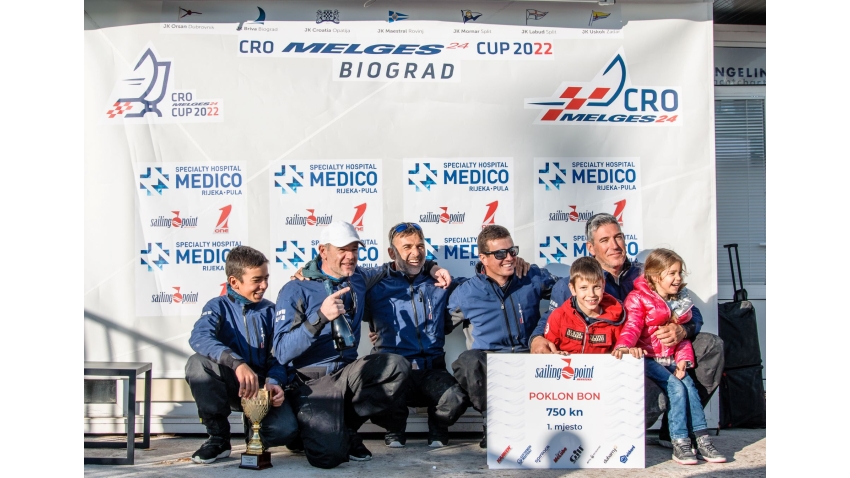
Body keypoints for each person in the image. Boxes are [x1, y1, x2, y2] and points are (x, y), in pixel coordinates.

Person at [529, 213, 725, 447]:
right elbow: (549, 320)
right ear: (591, 247)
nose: (614, 245)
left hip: (657, 354)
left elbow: (693, 313)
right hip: (615, 369)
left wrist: (682, 329)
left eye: (618, 237)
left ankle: (673, 429)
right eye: (604, 240)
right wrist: (537, 339)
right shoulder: (574, 280)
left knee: (712, 345)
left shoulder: (647, 273)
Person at [272, 221, 411, 469]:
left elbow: (388, 268)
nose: (350, 256)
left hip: (346, 373)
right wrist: (319, 318)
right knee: (329, 457)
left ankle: (344, 427)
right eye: (342, 250)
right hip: (312, 382)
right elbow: (281, 351)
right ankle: (309, 432)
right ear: (323, 251)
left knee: (396, 366)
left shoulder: (358, 277)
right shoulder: (295, 288)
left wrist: (432, 268)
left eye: (355, 250)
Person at [613, 248, 727, 465]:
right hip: (649, 358)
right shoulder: (638, 298)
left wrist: (684, 358)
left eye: (679, 273)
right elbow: (632, 327)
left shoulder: (680, 301)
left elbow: (681, 336)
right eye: (672, 273)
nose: (678, 278)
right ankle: (679, 440)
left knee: (690, 388)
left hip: (671, 359)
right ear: (656, 276)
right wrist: (624, 346)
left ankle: (701, 438)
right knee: (675, 387)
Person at [185, 245, 297, 464]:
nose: (264, 285)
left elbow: (281, 355)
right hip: (232, 385)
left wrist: (274, 381)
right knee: (197, 364)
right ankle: (218, 439)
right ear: (235, 282)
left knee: (285, 431)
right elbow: (199, 337)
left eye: (266, 278)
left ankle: (255, 435)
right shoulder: (217, 307)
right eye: (257, 280)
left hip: (263, 391)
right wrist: (237, 363)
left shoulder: (272, 310)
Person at [448, 225, 558, 448]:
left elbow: (568, 295)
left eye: (512, 251)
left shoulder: (531, 276)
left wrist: (542, 330)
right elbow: (437, 326)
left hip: (528, 358)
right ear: (483, 258)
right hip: (490, 365)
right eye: (500, 254)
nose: (509, 258)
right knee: (467, 362)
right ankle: (494, 424)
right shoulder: (467, 291)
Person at [364, 222, 471, 449]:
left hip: (431, 369)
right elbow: (341, 279)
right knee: (370, 394)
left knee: (455, 398)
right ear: (392, 253)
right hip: (393, 372)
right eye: (407, 247)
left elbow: (481, 285)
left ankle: (438, 428)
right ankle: (394, 429)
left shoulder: (440, 282)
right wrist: (306, 272)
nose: (416, 253)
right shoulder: (375, 286)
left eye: (420, 246)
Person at [543, 256, 630, 355]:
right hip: (567, 369)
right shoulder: (558, 317)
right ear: (572, 289)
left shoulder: (616, 319)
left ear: (603, 285)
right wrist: (556, 355)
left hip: (601, 370)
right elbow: (549, 354)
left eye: (596, 287)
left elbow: (621, 352)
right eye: (584, 288)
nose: (591, 294)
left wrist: (627, 351)